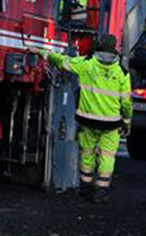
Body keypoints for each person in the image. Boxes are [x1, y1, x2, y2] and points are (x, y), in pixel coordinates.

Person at [45, 33, 132, 202]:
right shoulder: (122, 72)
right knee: (107, 156)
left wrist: (44, 54)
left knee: (87, 152)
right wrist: (127, 122)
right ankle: (101, 191)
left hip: (88, 120)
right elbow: (127, 102)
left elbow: (64, 61)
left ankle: (85, 188)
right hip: (111, 123)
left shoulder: (87, 63)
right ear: (114, 49)